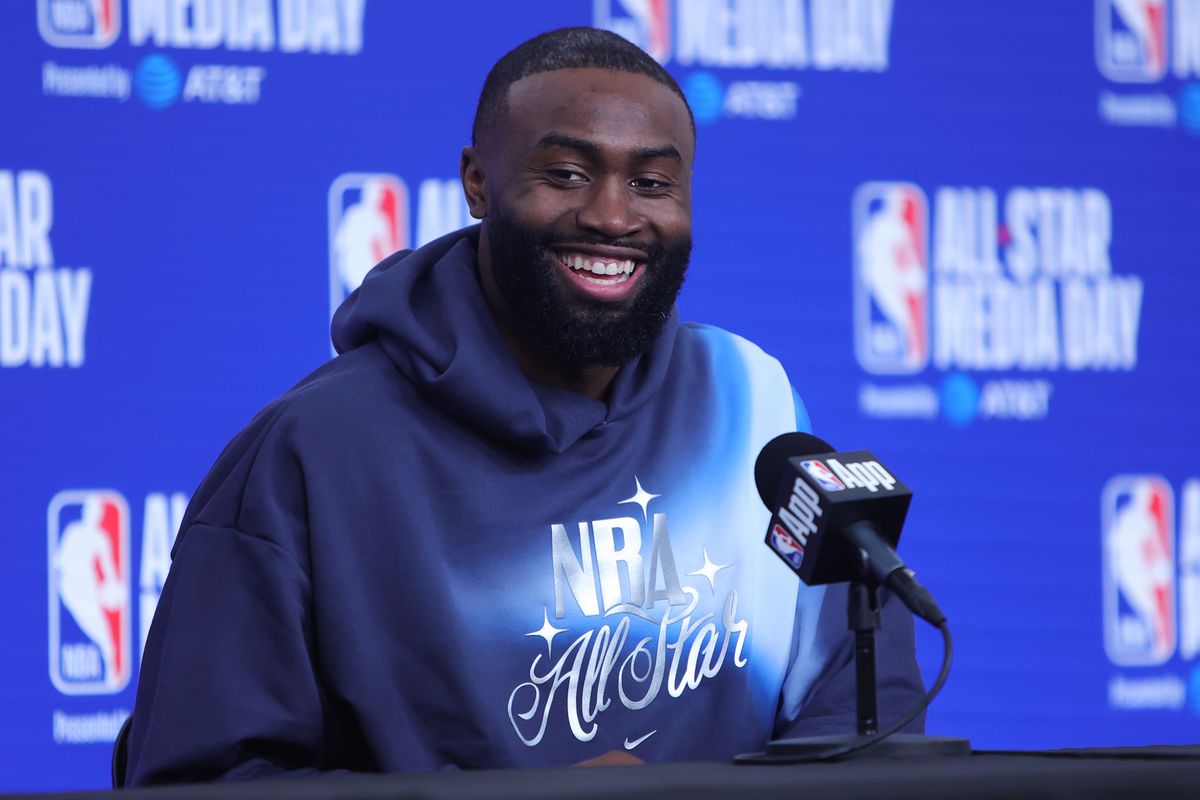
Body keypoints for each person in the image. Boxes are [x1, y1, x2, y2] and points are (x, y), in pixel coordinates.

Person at [125, 27, 924, 785]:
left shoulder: (750, 396)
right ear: (478, 182)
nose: (613, 217)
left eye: (652, 183)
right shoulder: (313, 451)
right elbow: (201, 779)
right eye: (568, 174)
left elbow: (859, 707)